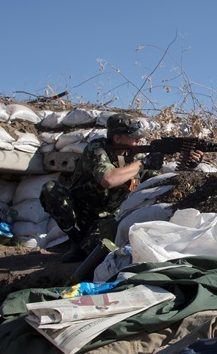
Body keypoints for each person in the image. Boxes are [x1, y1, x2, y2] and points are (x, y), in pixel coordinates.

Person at [40, 113, 203, 263]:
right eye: (134, 138)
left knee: (101, 251)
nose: (139, 141)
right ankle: (76, 241)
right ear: (117, 138)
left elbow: (159, 183)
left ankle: (85, 243)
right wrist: (143, 164)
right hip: (82, 215)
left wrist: (188, 165)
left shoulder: (135, 156)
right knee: (50, 189)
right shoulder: (97, 149)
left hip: (110, 220)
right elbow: (108, 179)